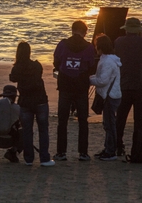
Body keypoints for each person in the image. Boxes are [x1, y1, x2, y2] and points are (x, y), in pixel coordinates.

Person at [53, 20, 96, 161]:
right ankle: (83, 153)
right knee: (83, 120)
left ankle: (61, 152)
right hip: (81, 87)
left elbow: (56, 62)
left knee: (62, 120)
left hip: (65, 85)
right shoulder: (89, 47)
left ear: (72, 30)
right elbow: (92, 66)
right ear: (84, 32)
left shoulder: (63, 44)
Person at [9, 41, 55, 167]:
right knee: (43, 130)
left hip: (25, 101)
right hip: (40, 100)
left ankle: (29, 158)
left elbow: (12, 78)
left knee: (27, 131)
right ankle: (44, 158)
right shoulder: (36, 65)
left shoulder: (17, 67)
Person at [114, 17, 142, 157]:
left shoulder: (119, 41)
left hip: (124, 85)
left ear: (126, 30)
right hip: (140, 85)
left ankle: (118, 146)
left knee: (120, 118)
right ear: (138, 30)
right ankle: (138, 149)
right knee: (140, 119)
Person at [90, 35, 122, 161]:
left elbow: (102, 80)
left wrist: (89, 80)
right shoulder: (109, 59)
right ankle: (108, 148)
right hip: (111, 94)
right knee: (108, 123)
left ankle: (111, 151)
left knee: (109, 124)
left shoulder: (107, 61)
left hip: (110, 96)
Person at [0, 85, 23, 163]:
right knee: (26, 131)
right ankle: (13, 151)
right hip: (8, 141)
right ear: (14, 97)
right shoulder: (18, 109)